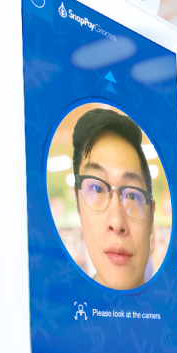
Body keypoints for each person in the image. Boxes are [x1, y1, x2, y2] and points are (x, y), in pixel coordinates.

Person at [72, 108, 155, 290]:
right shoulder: (60, 314)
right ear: (78, 204)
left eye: (132, 195)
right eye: (97, 188)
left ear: (152, 217)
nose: (117, 222)